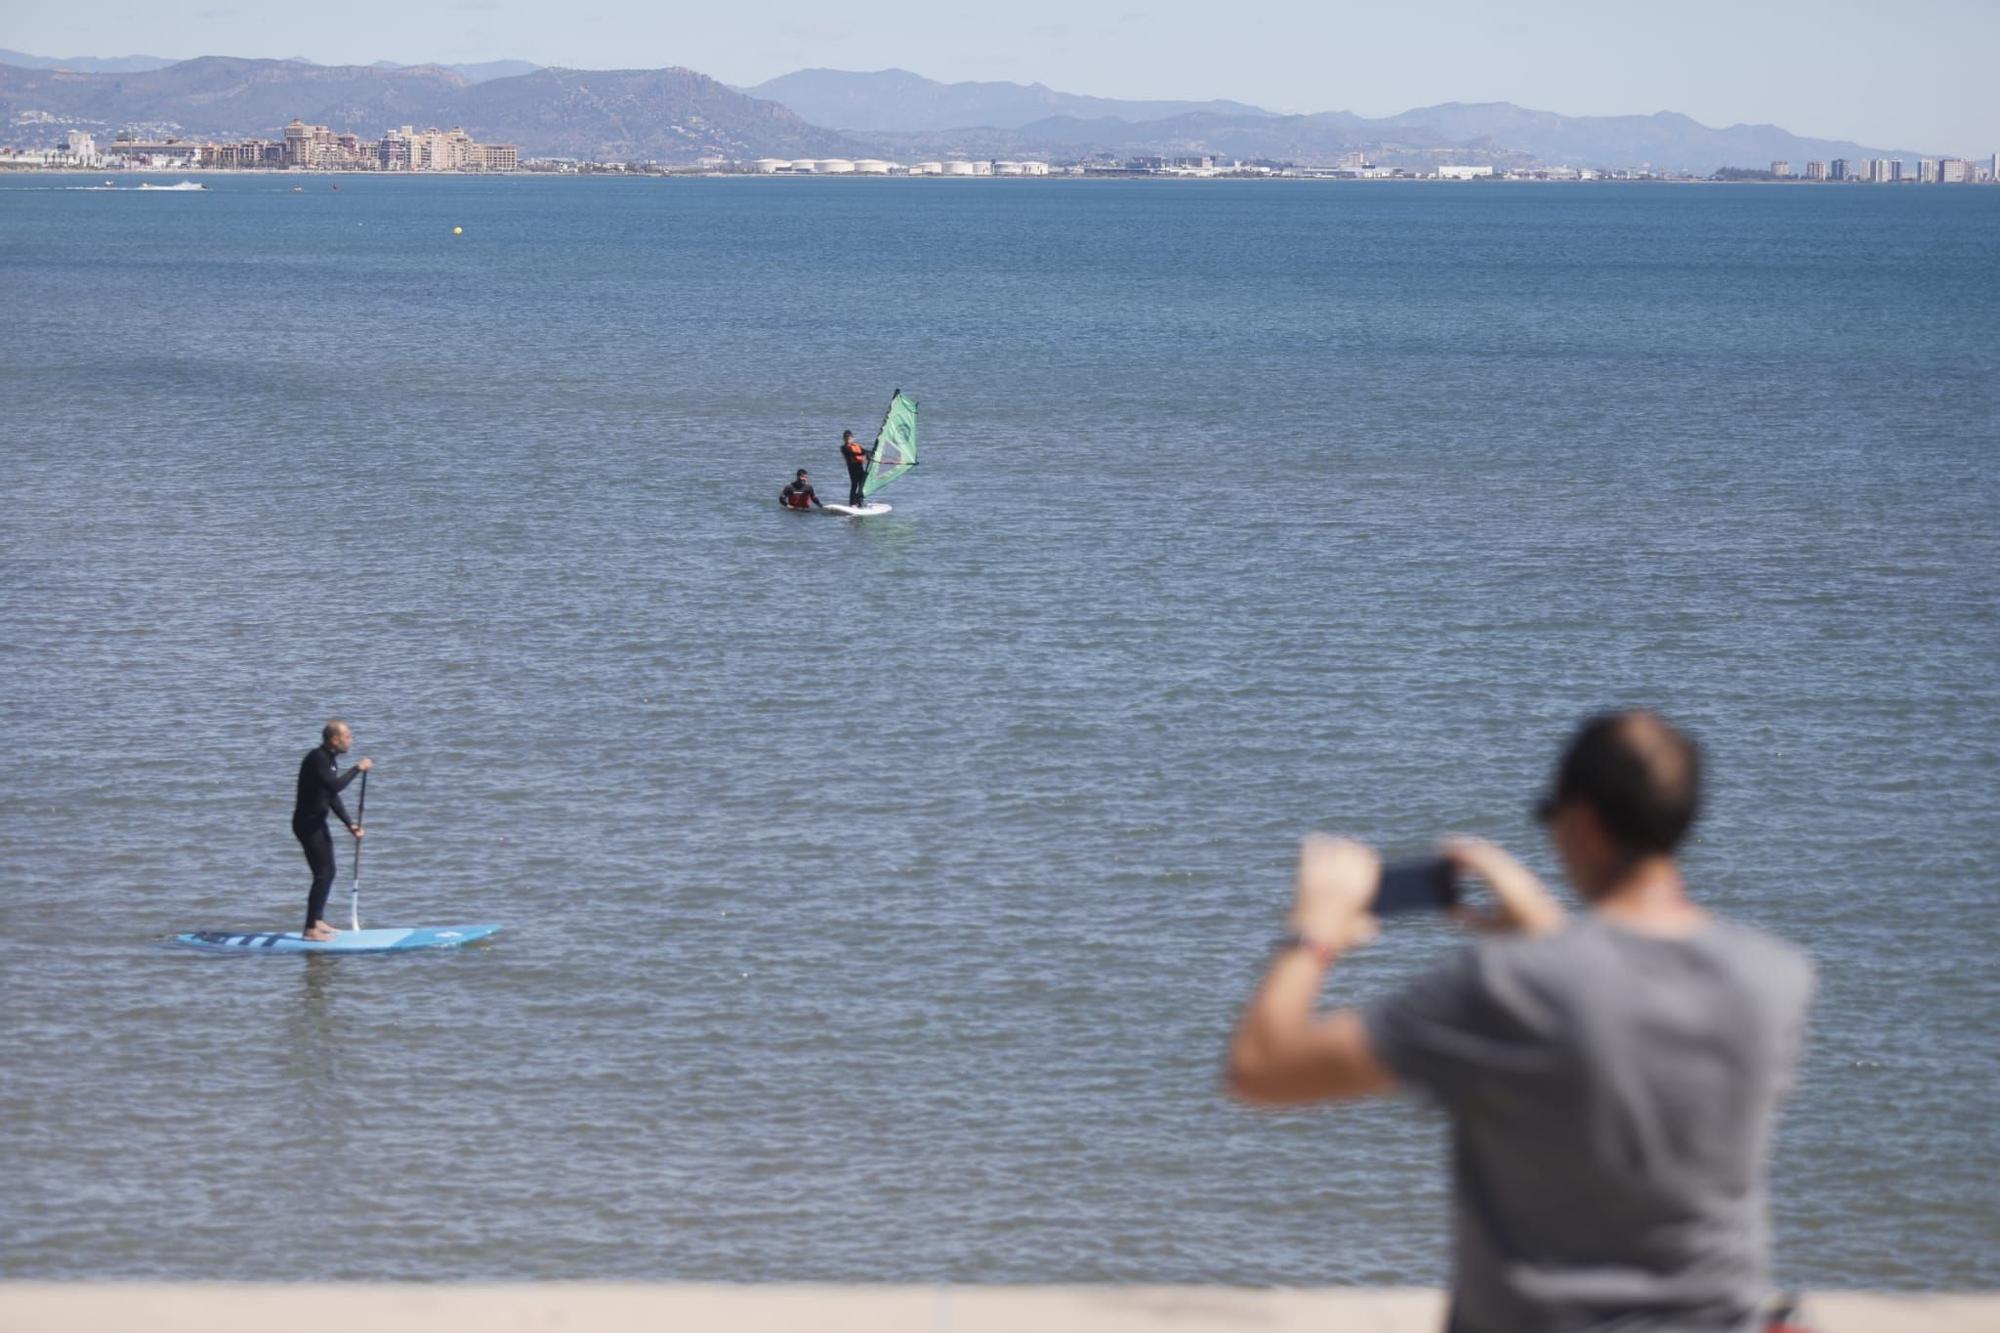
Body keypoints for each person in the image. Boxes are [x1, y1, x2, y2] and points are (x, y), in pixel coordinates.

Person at [1228, 711, 1814, 1333]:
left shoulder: (1506, 988)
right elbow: (1615, 1006)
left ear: (1583, 825)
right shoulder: (1775, 979)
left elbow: (1262, 1069)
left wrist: (1315, 931)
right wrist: (1545, 923)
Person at [293, 719, 370, 941]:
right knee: (323, 873)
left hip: (317, 822)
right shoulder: (318, 758)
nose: (351, 741)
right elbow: (336, 786)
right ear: (334, 740)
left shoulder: (330, 760)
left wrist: (349, 824)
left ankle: (317, 920)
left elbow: (331, 796)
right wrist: (357, 768)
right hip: (307, 825)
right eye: (347, 737)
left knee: (329, 871)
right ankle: (309, 930)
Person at [839, 429, 871, 507]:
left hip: (860, 468)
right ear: (843, 439)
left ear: (852, 438)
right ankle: (852, 503)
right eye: (846, 438)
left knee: (862, 485)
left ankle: (860, 502)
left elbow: (864, 451)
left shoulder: (857, 446)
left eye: (849, 438)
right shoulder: (844, 448)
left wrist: (870, 453)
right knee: (854, 485)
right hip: (852, 469)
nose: (847, 439)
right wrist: (863, 453)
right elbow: (852, 453)